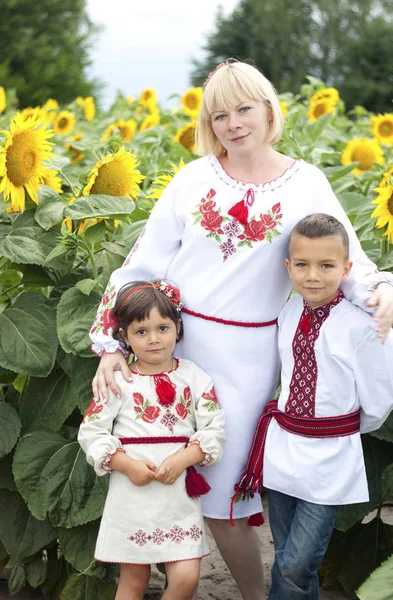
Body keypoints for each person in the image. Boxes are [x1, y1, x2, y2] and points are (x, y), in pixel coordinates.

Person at [90, 60, 393, 600]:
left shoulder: (306, 183)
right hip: (173, 349)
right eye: (220, 114)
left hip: (253, 358)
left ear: (270, 109)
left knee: (226, 493)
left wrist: (382, 292)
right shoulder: (193, 178)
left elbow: (347, 260)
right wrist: (113, 344)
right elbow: (141, 265)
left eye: (245, 109)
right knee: (160, 469)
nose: (233, 123)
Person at [232, 214, 393, 599]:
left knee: (297, 563)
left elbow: (379, 398)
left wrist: (337, 428)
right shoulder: (287, 314)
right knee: (287, 555)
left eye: (326, 266)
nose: (313, 276)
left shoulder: (361, 327)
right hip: (285, 450)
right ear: (288, 266)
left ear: (347, 268)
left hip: (331, 456)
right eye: (302, 265)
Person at [79, 280, 225, 600]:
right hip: (133, 493)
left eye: (162, 327)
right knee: (134, 579)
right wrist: (126, 464)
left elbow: (214, 424)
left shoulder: (194, 376)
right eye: (141, 331)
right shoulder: (119, 380)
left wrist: (184, 458)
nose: (154, 339)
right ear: (125, 337)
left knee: (186, 577)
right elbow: (91, 429)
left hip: (178, 494)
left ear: (178, 328)